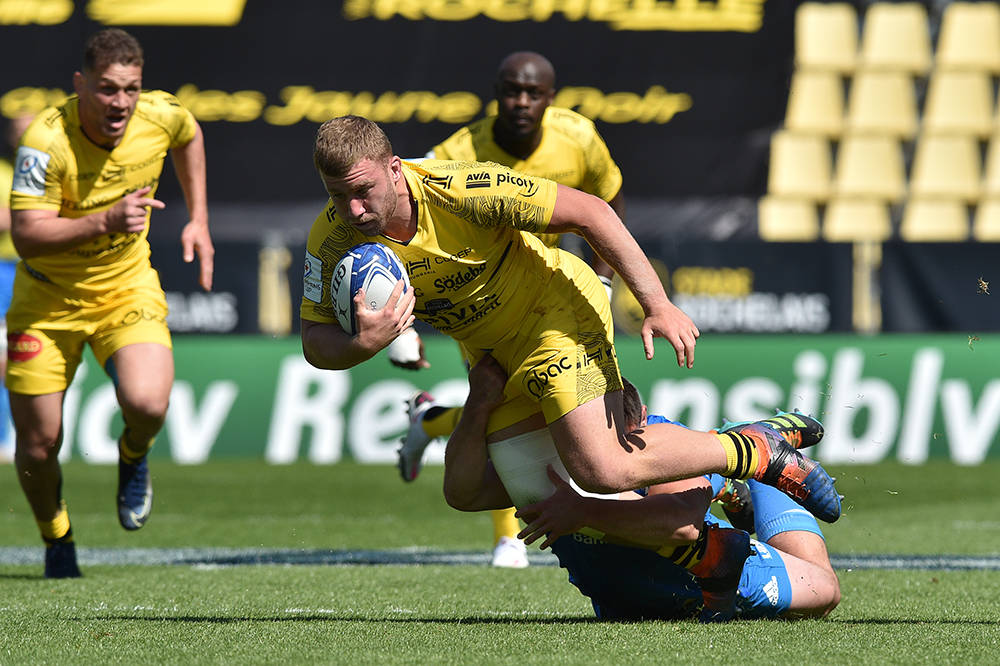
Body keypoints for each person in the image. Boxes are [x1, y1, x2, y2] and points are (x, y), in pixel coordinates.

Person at [300, 116, 841, 536]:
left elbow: (593, 212)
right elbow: (315, 345)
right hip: (496, 356)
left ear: (395, 168)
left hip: (555, 313)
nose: (352, 208)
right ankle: (717, 476)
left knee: (600, 471)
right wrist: (363, 343)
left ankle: (754, 452)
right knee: (470, 492)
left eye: (363, 190)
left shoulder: (464, 190)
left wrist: (656, 302)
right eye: (336, 194)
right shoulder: (329, 240)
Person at [392, 51, 628, 568]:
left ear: (550, 97)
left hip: (557, 295)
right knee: (497, 405)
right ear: (495, 92)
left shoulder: (579, 138)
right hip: (481, 302)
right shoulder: (458, 151)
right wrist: (397, 329)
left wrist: (606, 279)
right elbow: (404, 224)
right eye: (510, 90)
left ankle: (430, 421)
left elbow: (607, 199)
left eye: (533, 92)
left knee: (561, 414)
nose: (521, 102)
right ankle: (507, 538)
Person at [8, 28, 215, 578]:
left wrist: (198, 218)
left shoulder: (159, 114)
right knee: (37, 442)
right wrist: (103, 219)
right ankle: (56, 537)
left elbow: (189, 135)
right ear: (80, 85)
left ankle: (133, 457)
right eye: (106, 89)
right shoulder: (44, 141)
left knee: (148, 404)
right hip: (45, 299)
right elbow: (26, 235)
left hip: (125, 286)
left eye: (130, 88)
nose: (120, 102)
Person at [445, 354, 840, 621]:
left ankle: (761, 450)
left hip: (707, 581)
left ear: (641, 425)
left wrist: (582, 512)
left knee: (824, 590)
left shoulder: (659, 436)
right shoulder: (554, 452)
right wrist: (478, 403)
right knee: (670, 477)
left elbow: (681, 525)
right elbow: (465, 493)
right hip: (627, 601)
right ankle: (732, 462)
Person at [0, 114, 34, 462]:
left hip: (33, 270)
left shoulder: (47, 171)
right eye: (18, 132)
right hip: (3, 272)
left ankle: (21, 438)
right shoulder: (3, 173)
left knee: (24, 358)